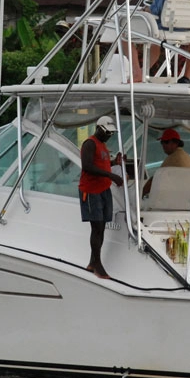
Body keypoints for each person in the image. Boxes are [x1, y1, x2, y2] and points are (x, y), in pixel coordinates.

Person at [79, 116, 123, 279]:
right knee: (96, 227)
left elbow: (101, 164)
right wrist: (111, 176)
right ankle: (97, 263)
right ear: (99, 129)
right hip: (91, 190)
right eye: (107, 133)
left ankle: (93, 262)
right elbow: (88, 166)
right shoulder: (90, 144)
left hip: (103, 189)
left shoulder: (102, 145)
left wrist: (114, 163)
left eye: (111, 134)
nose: (109, 136)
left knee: (102, 225)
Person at [142, 128, 190, 196]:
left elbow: (154, 181)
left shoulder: (174, 158)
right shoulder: (186, 156)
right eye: (162, 142)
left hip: (177, 197)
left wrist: (141, 195)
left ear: (176, 143)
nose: (163, 145)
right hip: (186, 195)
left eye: (166, 142)